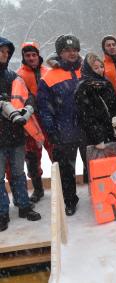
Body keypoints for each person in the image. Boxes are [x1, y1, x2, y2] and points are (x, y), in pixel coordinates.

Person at [37, 34, 84, 216]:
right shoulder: (49, 77)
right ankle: (70, 200)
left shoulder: (87, 69)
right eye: (66, 50)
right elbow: (44, 109)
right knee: (66, 171)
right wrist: (52, 132)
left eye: (74, 50)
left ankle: (100, 196)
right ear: (59, 53)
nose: (71, 53)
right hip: (64, 132)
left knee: (94, 166)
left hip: (87, 130)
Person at [0, 37, 41, 231]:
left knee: (18, 173)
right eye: (2, 51)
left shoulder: (14, 77)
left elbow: (29, 96)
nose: (5, 55)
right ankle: (2, 213)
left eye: (7, 52)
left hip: (16, 134)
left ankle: (23, 206)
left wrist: (28, 109)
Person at [16, 42, 52, 203]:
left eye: (33, 55)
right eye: (27, 55)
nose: (31, 58)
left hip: (48, 120)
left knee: (56, 155)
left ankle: (62, 185)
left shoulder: (48, 72)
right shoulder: (18, 76)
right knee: (32, 158)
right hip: (30, 123)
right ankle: (38, 189)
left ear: (38, 55)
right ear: (23, 57)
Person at [75, 53, 116, 148]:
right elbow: (86, 116)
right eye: (96, 68)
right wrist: (98, 138)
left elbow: (113, 105)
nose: (100, 70)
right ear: (88, 69)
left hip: (111, 133)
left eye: (102, 66)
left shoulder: (106, 83)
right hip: (95, 139)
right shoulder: (84, 87)